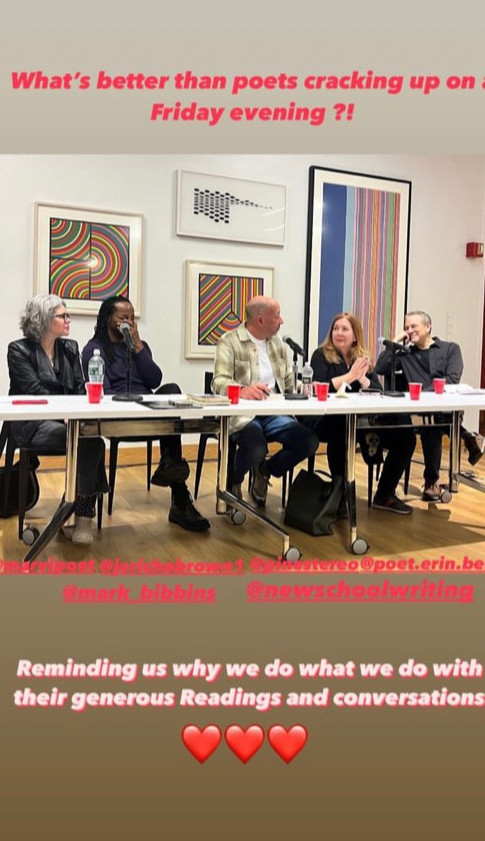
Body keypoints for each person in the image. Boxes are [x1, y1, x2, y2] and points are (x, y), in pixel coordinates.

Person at [82, 296, 210, 532]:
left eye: (132, 318)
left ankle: (170, 465)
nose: (129, 322)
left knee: (171, 389)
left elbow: (155, 380)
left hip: (148, 407)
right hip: (118, 413)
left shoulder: (140, 346)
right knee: (169, 423)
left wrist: (139, 348)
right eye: (123, 317)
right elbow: (102, 391)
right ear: (108, 319)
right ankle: (179, 494)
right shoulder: (94, 350)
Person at [7, 294, 108, 545]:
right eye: (62, 315)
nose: (68, 319)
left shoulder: (70, 348)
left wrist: (76, 409)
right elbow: (34, 391)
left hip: (67, 419)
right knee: (91, 442)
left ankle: (73, 512)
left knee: (91, 438)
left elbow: (78, 388)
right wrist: (65, 412)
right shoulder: (18, 350)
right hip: (33, 423)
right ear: (43, 320)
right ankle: (79, 515)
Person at [302, 312, 416, 514]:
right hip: (326, 419)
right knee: (342, 429)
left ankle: (384, 494)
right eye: (336, 328)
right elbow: (319, 388)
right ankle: (340, 494)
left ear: (355, 335)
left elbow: (376, 390)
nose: (339, 333)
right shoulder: (321, 355)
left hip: (361, 418)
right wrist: (350, 376)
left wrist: (362, 379)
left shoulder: (361, 357)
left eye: (344, 329)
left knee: (406, 437)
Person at [212, 295, 319, 506]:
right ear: (260, 320)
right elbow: (218, 382)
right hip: (242, 415)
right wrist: (243, 390)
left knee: (308, 441)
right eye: (277, 316)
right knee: (256, 447)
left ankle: (265, 471)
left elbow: (288, 382)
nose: (282, 321)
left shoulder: (278, 344)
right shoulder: (230, 341)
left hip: (274, 413)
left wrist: (305, 387)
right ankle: (232, 482)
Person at [375, 309, 482, 500]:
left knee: (433, 418)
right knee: (430, 421)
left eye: (413, 326)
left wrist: (428, 394)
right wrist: (395, 341)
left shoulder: (450, 349)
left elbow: (452, 379)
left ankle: (432, 481)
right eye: (406, 327)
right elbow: (380, 368)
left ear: (428, 326)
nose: (409, 330)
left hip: (444, 407)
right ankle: (467, 438)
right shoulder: (404, 354)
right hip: (419, 412)